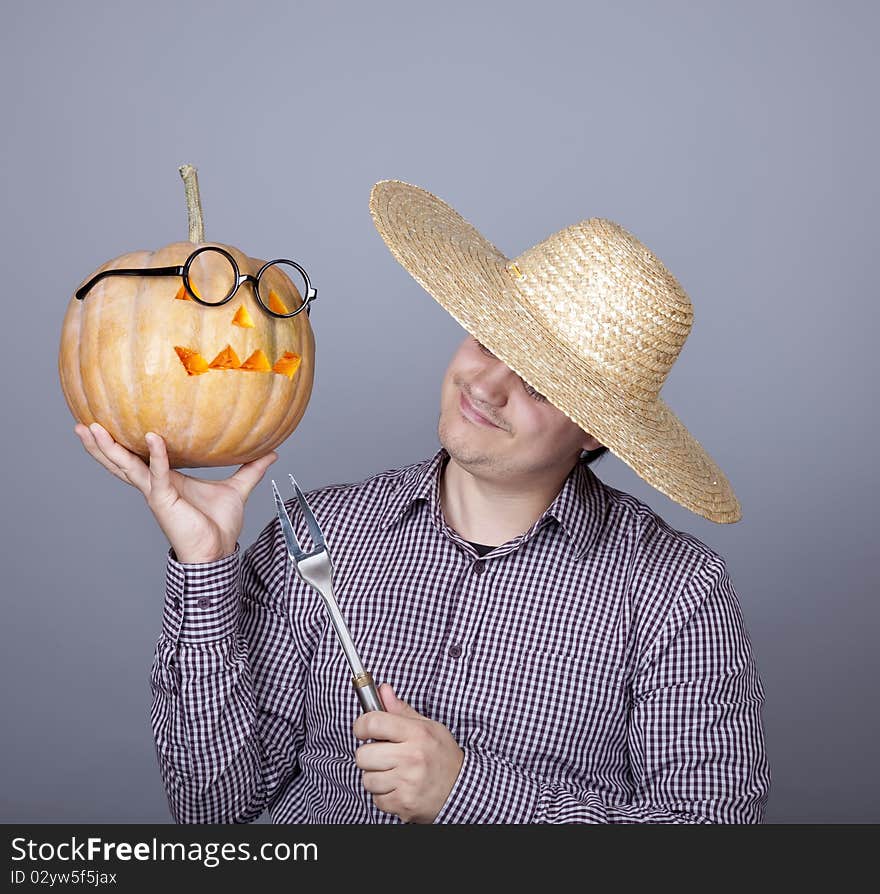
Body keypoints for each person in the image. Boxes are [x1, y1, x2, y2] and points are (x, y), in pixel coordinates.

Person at [74, 179, 770, 823]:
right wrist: (205, 564)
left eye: (539, 385)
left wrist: (469, 794)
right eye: (487, 340)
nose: (485, 386)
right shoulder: (321, 532)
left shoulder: (677, 590)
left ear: (594, 432)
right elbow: (212, 807)